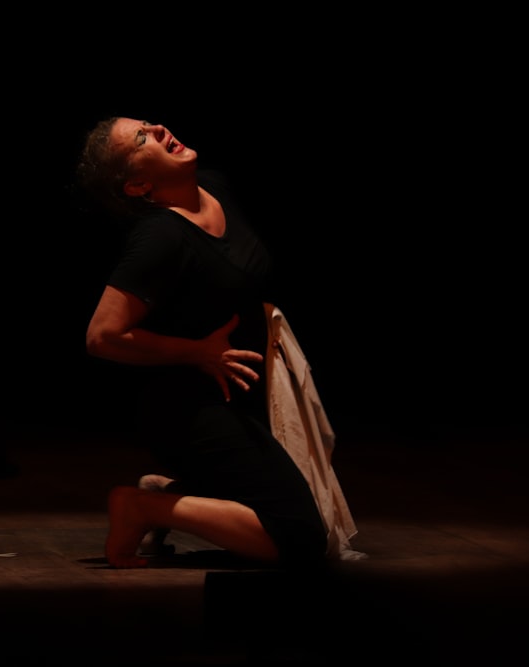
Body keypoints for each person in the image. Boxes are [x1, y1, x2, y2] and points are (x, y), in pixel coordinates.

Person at [75, 116, 332, 570]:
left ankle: (167, 494)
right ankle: (142, 508)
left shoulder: (216, 188)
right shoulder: (162, 236)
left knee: (285, 510)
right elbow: (102, 336)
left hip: (235, 396)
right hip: (187, 410)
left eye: (150, 122)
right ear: (137, 185)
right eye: (141, 137)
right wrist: (194, 352)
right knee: (299, 538)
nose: (157, 128)